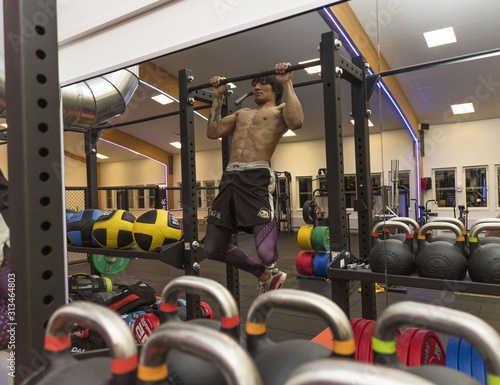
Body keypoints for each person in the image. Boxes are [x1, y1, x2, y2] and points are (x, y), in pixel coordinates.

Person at [204, 62, 303, 293]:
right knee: (212, 248)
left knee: (266, 253)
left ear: (275, 89)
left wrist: (287, 81)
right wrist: (217, 97)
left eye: (264, 84)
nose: (258, 87)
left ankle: (270, 266)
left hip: (256, 176)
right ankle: (264, 273)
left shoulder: (280, 112)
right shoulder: (241, 113)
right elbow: (213, 132)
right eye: (255, 84)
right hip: (230, 178)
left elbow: (297, 122)